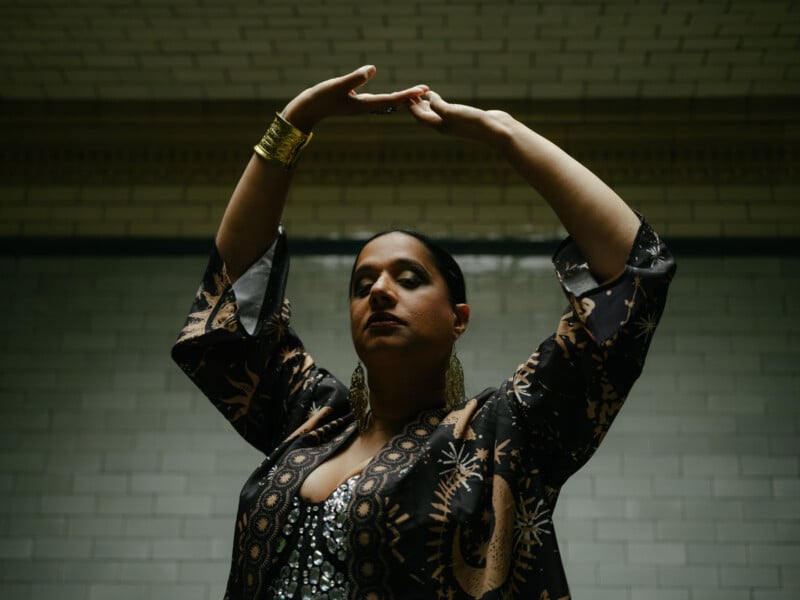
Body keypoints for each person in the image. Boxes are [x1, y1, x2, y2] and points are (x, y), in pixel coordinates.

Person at [172, 65, 676, 600]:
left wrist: (503, 131)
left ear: (458, 318)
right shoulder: (311, 422)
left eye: (409, 279)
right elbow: (234, 301)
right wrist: (295, 122)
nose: (379, 291)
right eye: (362, 284)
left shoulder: (501, 437)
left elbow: (631, 272)